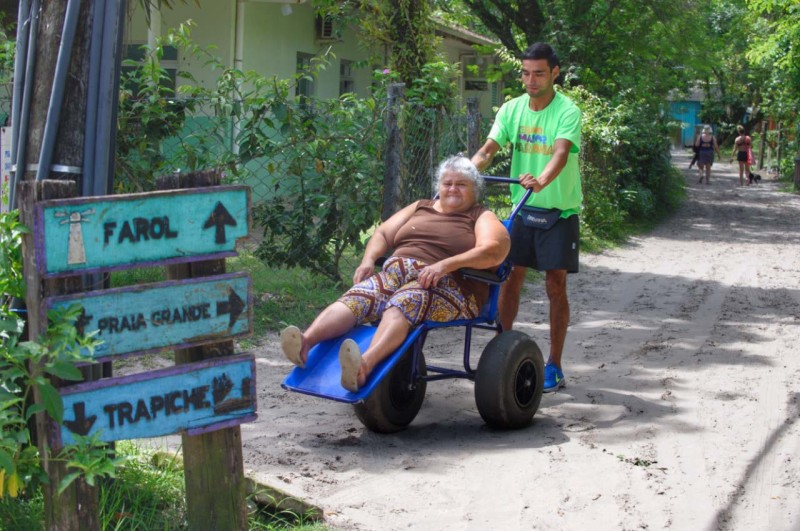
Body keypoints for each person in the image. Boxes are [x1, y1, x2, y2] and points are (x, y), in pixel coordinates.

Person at [280, 155, 510, 392]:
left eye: (461, 184)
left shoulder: (480, 216)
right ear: (438, 187)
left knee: (403, 303)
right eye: (447, 183)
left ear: (475, 190)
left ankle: (363, 366)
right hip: (394, 275)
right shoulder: (421, 206)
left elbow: (494, 250)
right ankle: (305, 343)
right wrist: (368, 260)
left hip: (445, 285)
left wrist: (445, 265)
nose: (452, 189)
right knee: (359, 296)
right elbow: (382, 233)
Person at [470, 42, 581, 393]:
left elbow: (560, 153)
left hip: (559, 210)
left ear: (555, 74)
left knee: (555, 285)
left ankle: (555, 365)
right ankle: (502, 353)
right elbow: (489, 149)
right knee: (510, 277)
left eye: (539, 74)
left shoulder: (567, 111)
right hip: (522, 207)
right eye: (526, 73)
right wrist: (466, 171)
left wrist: (542, 180)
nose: (531, 81)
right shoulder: (512, 109)